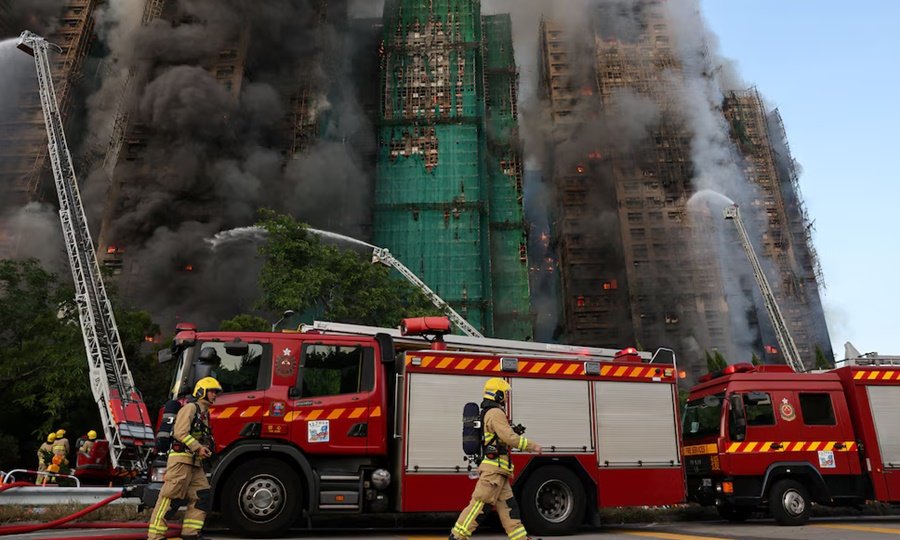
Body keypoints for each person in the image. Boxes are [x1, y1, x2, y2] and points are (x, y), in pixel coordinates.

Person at [450, 378, 542, 540]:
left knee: (509, 508)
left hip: (499, 471)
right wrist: (532, 446)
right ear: (497, 394)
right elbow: (509, 437)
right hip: (494, 470)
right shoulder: (495, 413)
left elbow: (499, 437)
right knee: (480, 504)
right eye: (504, 393)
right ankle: (457, 536)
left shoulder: (489, 412)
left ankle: (520, 538)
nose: (506, 396)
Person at [147, 377, 221, 540]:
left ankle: (191, 533)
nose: (215, 395)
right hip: (181, 460)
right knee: (170, 496)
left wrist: (206, 449)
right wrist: (198, 447)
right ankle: (155, 536)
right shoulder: (190, 408)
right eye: (212, 391)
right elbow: (180, 433)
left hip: (195, 462)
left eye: (216, 392)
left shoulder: (204, 414)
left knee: (202, 495)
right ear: (201, 392)